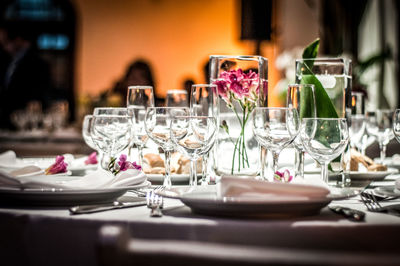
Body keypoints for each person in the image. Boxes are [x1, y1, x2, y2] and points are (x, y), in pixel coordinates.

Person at [0, 22, 50, 129]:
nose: (3, 47)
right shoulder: (8, 61)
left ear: (18, 40)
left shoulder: (37, 63)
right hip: (7, 124)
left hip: (26, 123)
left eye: (5, 42)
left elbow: (39, 96)